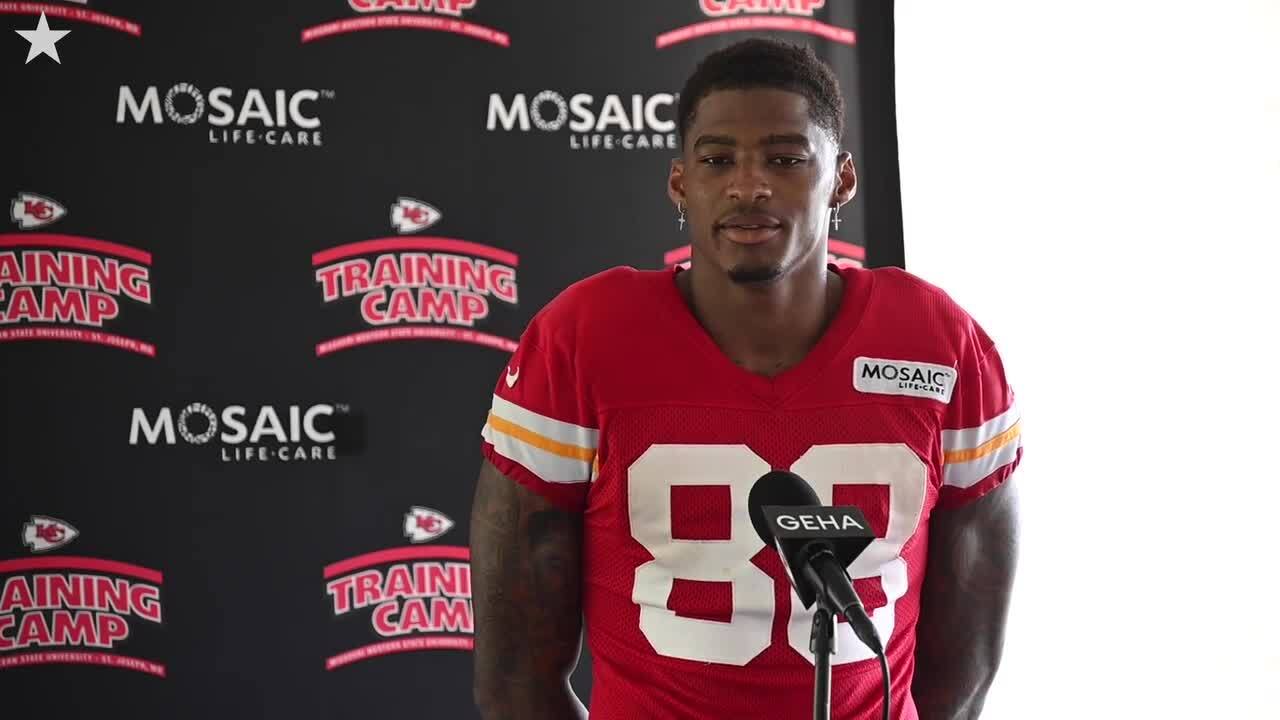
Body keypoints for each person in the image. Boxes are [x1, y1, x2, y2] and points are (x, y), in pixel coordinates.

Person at [470, 38, 1021, 720]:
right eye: (718, 159)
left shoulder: (941, 344)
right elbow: (516, 677)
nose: (748, 185)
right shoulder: (584, 339)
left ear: (842, 179)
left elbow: (963, 672)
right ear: (681, 183)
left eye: (785, 159)